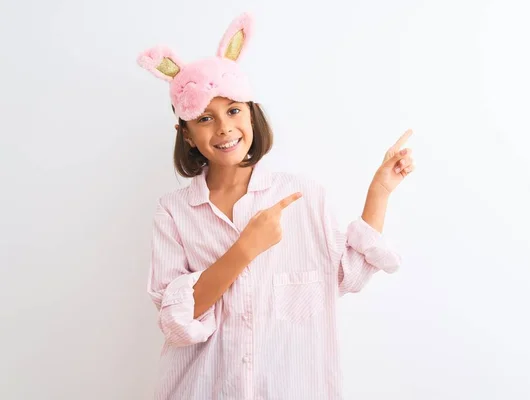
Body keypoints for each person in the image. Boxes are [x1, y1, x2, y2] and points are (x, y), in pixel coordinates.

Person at [137, 12, 415, 400]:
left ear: (251, 112)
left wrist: (380, 191)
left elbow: (349, 274)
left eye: (233, 110)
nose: (224, 128)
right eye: (205, 118)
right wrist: (246, 247)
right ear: (185, 133)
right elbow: (177, 321)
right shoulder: (174, 212)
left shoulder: (303, 196)